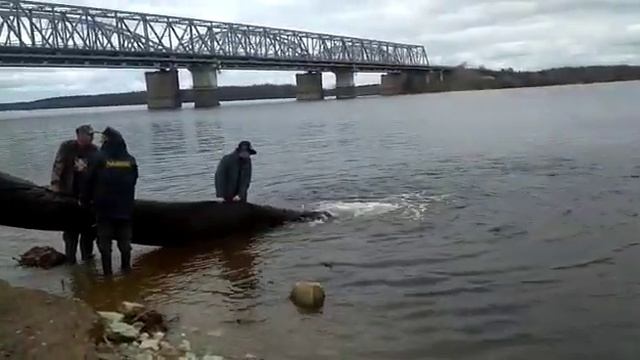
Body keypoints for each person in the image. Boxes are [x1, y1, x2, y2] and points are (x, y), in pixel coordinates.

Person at [82, 127, 138, 276]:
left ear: (107, 141)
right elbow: (133, 181)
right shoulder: (130, 160)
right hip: (125, 208)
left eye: (102, 139)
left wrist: (85, 201)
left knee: (104, 243)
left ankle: (108, 276)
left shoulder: (98, 158)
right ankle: (126, 270)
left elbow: (88, 181)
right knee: (125, 243)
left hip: (103, 208)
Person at [50, 124, 98, 264]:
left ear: (91, 137)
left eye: (87, 135)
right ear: (77, 135)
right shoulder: (67, 147)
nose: (83, 138)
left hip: (87, 195)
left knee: (88, 230)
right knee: (70, 230)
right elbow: (58, 165)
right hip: (68, 192)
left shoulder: (95, 151)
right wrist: (55, 184)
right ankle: (70, 259)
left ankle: (87, 258)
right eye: (81, 135)